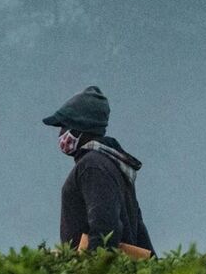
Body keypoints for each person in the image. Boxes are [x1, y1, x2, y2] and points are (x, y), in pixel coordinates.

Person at [42, 86, 153, 253]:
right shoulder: (113, 164)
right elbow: (138, 228)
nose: (60, 133)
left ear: (79, 127)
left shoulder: (93, 166)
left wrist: (93, 271)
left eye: (64, 126)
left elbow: (105, 227)